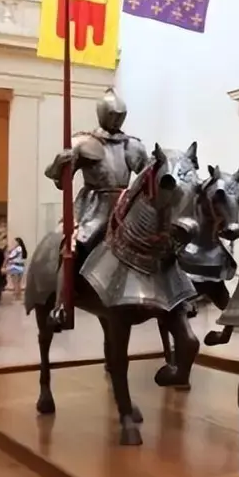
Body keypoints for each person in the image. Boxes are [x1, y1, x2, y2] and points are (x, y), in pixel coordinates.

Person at [44, 88, 148, 322]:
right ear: (102, 114)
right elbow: (60, 182)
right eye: (112, 115)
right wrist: (59, 164)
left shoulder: (132, 145)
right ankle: (62, 303)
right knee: (73, 245)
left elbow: (146, 176)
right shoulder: (83, 142)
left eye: (120, 116)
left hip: (124, 204)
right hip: (94, 206)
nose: (116, 120)